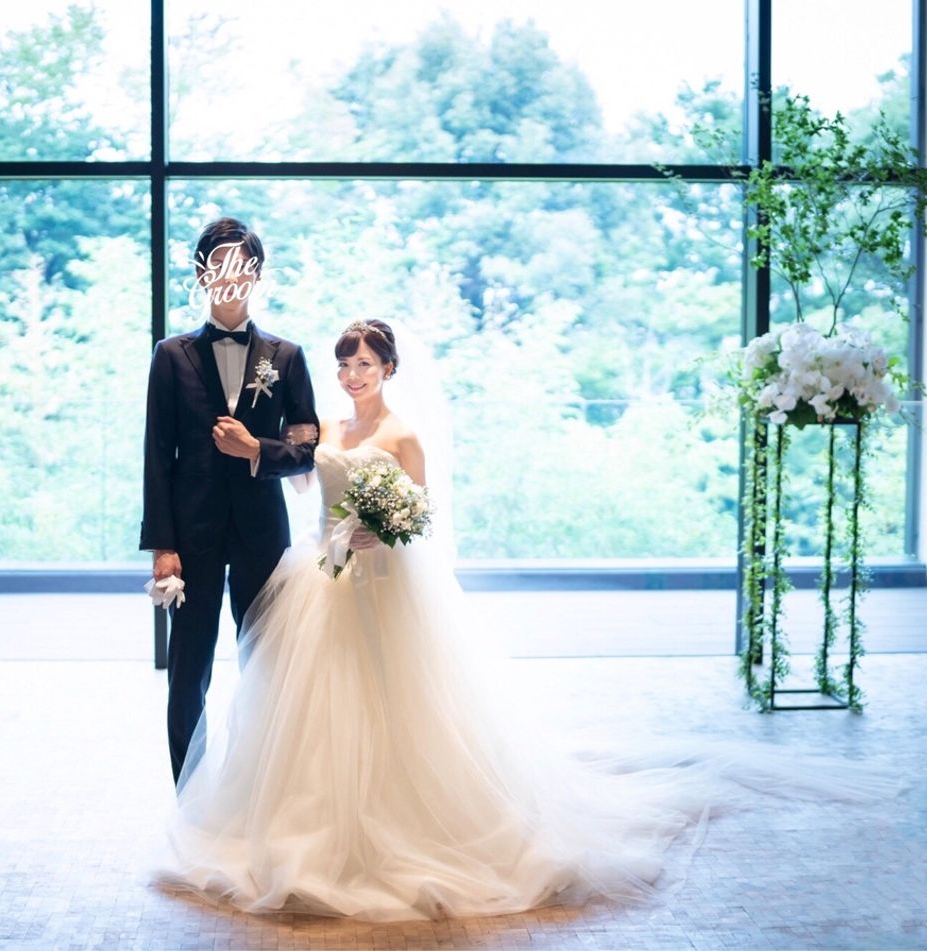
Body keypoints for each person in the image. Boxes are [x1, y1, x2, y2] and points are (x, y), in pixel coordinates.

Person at [152, 318, 901, 922]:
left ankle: (405, 827)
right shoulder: (323, 430)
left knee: (394, 704)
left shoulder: (404, 435)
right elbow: (296, 472)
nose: (352, 376)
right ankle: (306, 828)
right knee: (317, 710)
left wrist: (383, 526)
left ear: (389, 370)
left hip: (380, 583)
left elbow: (423, 515)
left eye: (365, 366)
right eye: (345, 366)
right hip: (325, 580)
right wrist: (259, 457)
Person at [141, 217, 320, 785]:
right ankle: (189, 794)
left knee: (267, 664)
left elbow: (308, 449)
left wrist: (256, 449)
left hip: (262, 533)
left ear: (258, 275)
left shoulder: (286, 356)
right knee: (187, 671)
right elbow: (156, 455)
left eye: (241, 265)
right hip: (190, 536)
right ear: (201, 275)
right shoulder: (171, 355)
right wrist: (162, 546)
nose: (229, 275)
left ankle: (265, 788)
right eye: (217, 265)